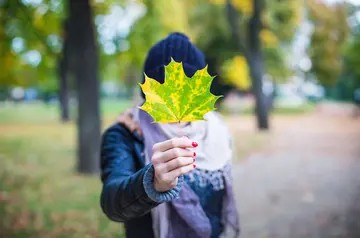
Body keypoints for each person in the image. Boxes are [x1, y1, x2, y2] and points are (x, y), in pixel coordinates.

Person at [100, 32, 240, 238]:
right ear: (147, 95)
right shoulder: (125, 134)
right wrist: (152, 183)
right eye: (164, 96)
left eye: (186, 94)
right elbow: (112, 202)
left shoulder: (216, 130)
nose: (176, 107)